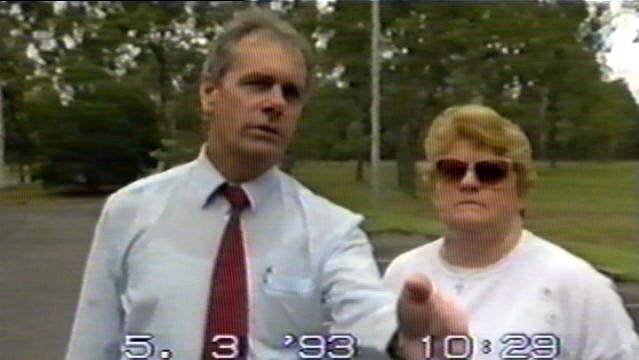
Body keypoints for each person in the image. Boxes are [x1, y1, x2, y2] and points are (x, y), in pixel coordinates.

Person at [66, 7, 467, 360]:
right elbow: (94, 342)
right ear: (209, 94)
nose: (275, 102)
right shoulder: (131, 211)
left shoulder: (331, 231)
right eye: (257, 84)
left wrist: (408, 337)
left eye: (290, 93)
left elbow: (365, 309)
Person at [383, 104, 639, 360]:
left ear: (521, 191)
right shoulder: (404, 275)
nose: (468, 182)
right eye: (452, 170)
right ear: (435, 189)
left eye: (490, 172)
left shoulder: (577, 285)